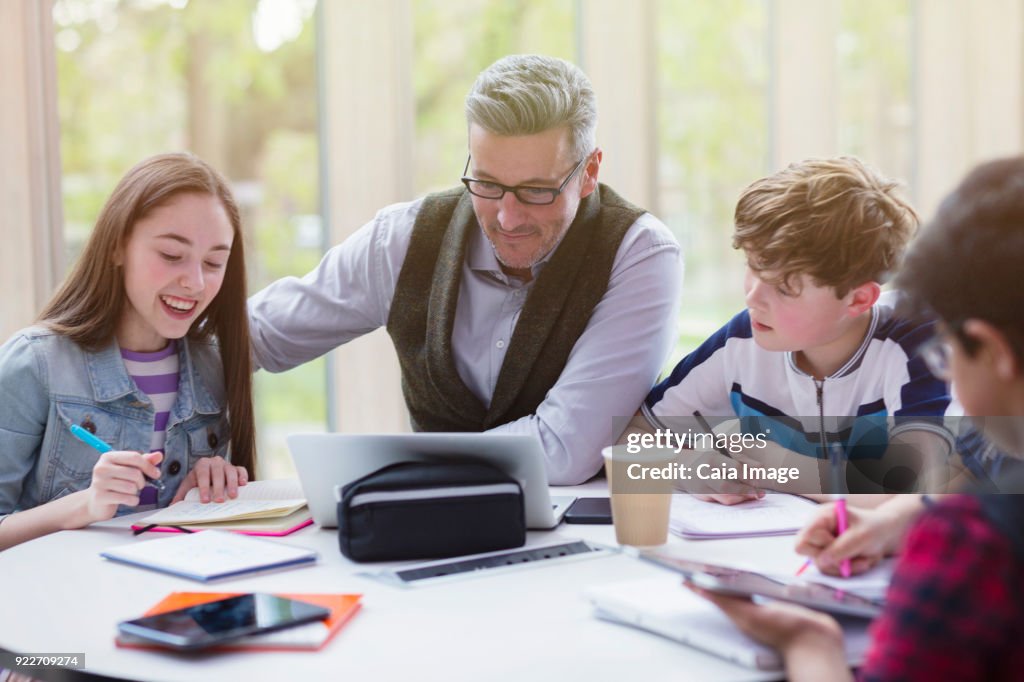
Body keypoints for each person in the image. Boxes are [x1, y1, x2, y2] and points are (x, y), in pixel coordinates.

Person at [248, 54, 683, 484]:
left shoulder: (640, 254)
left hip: (591, 543)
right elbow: (249, 336)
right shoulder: (402, 240)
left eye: (535, 191)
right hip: (432, 534)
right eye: (488, 184)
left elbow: (564, 450)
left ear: (588, 172)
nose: (508, 218)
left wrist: (397, 467)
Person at [695, 156, 1024, 681]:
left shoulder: (970, 547)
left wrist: (808, 640)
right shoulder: (744, 338)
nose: (755, 296)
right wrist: (899, 519)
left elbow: (944, 476)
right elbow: (631, 446)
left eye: (948, 356)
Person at [624, 157, 954, 503]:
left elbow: (912, 487)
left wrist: (776, 465)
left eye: (784, 288)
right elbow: (631, 439)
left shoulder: (917, 342)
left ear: (858, 299)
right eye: (753, 267)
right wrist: (691, 468)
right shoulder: (744, 338)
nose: (753, 297)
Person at [0, 153, 256, 551]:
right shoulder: (34, 363)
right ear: (117, 247)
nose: (194, 282)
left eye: (214, 262)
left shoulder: (213, 366)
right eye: (172, 255)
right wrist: (85, 504)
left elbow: (166, 531)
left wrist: (202, 493)